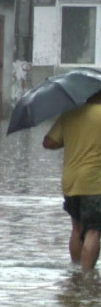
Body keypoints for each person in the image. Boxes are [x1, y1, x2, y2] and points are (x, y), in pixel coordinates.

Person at [42, 91, 101, 271]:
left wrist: (72, 138)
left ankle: (75, 272)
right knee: (94, 230)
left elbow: (48, 142)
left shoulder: (69, 114)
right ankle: (87, 276)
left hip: (70, 182)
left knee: (77, 228)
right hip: (94, 182)